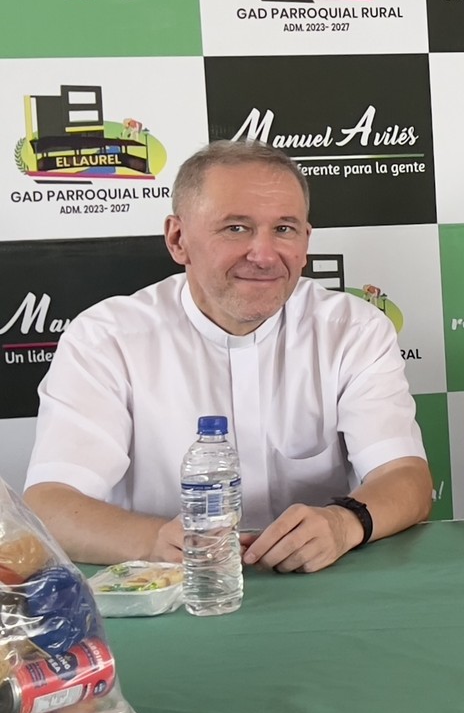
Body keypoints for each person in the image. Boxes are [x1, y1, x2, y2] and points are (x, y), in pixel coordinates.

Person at [23, 140, 433, 573]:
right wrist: (154, 540)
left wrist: (343, 523)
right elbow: (50, 505)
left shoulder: (354, 329)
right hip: (169, 589)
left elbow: (405, 476)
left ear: (305, 242)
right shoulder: (106, 338)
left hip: (320, 583)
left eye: (284, 229)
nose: (264, 255)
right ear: (178, 239)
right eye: (236, 228)